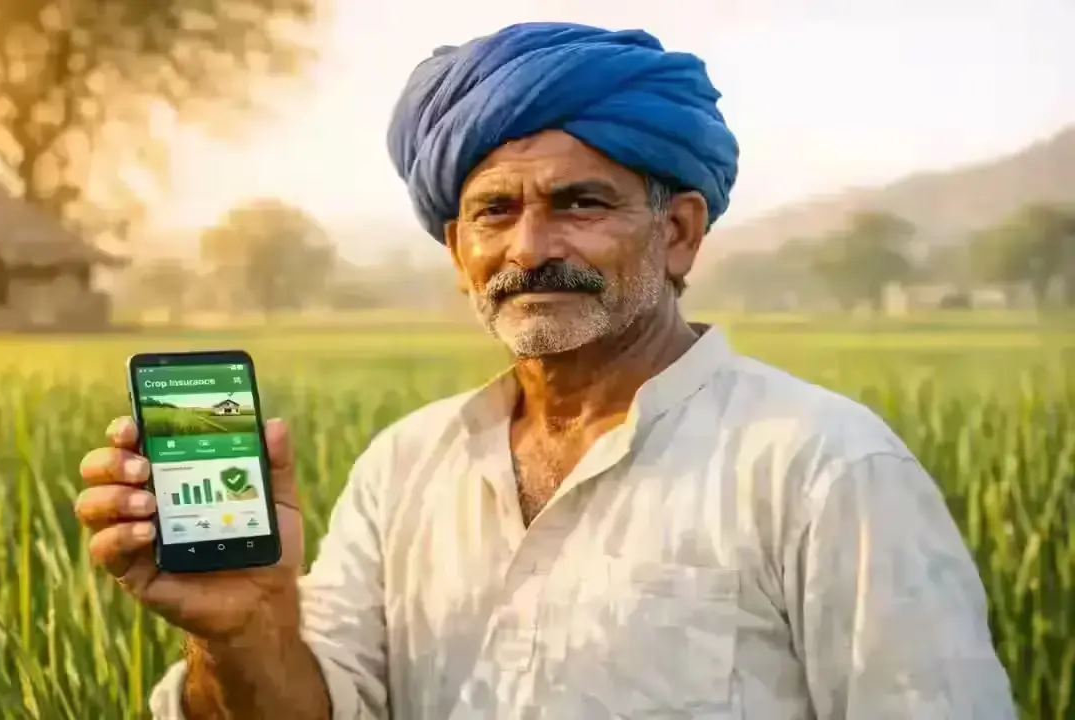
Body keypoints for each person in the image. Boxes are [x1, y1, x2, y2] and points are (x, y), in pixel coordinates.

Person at [75, 21, 1017, 719]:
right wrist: (240, 626)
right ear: (456, 250)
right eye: (494, 212)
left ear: (678, 232)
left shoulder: (824, 467)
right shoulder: (406, 469)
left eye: (581, 203)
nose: (531, 247)